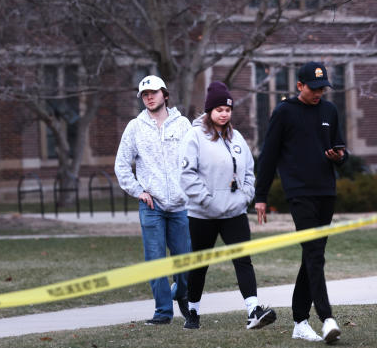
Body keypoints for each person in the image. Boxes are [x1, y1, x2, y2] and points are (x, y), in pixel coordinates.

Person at [253, 62, 347, 343]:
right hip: (299, 193)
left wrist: (339, 157)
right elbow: (268, 155)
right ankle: (326, 318)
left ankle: (298, 321)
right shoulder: (284, 112)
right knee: (315, 255)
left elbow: (341, 149)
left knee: (312, 256)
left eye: (323, 88)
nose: (319, 93)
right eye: (314, 88)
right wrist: (261, 196)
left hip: (326, 192)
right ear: (299, 86)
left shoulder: (330, 111)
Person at [179, 81, 276, 331]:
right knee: (200, 264)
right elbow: (187, 174)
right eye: (219, 109)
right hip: (203, 214)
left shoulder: (236, 137)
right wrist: (207, 200)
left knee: (243, 261)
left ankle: (253, 311)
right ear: (210, 110)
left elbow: (249, 172)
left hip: (234, 212)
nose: (224, 113)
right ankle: (193, 311)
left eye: (228, 109)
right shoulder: (194, 136)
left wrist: (245, 196)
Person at [115, 75, 193, 325]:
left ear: (165, 95)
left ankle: (180, 292)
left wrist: (191, 190)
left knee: (185, 261)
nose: (149, 97)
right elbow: (121, 165)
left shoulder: (183, 125)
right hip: (152, 206)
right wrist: (139, 191)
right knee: (156, 260)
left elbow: (195, 160)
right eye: (144, 94)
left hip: (181, 205)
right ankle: (163, 313)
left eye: (153, 92)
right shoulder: (135, 127)